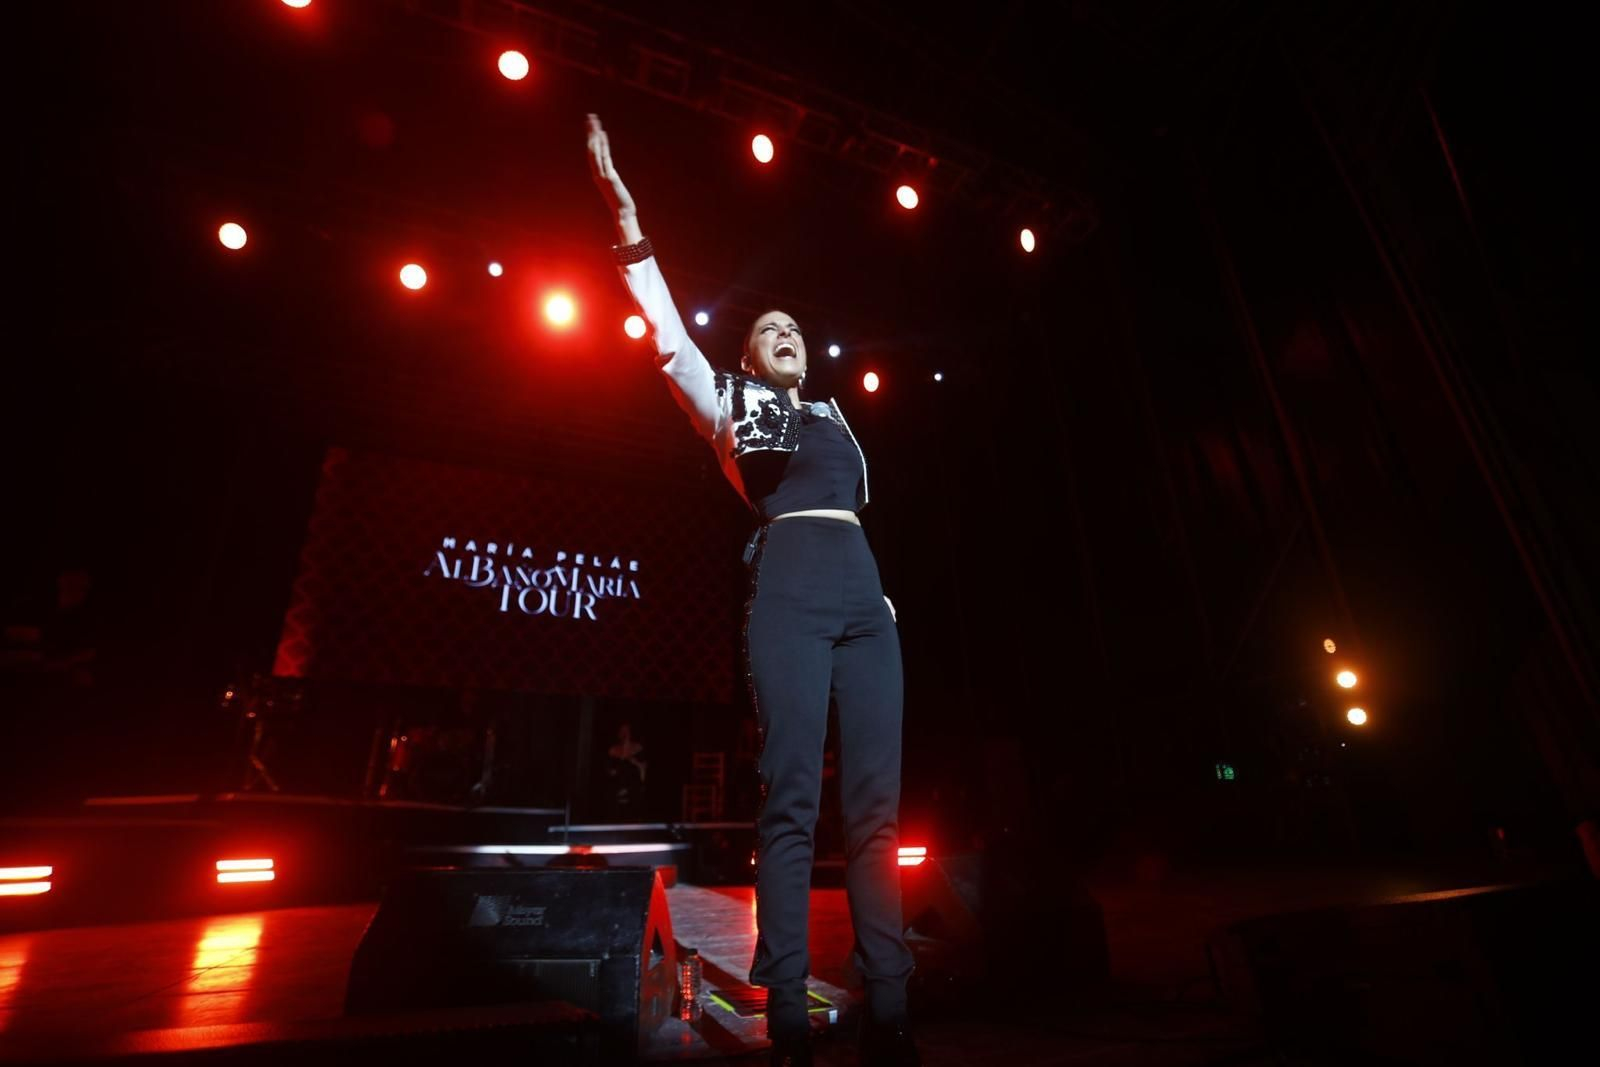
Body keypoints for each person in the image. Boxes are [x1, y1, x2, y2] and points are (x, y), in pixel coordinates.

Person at [586, 114, 919, 1067]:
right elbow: (662, 334)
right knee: (789, 805)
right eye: (766, 329)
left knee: (877, 811)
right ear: (746, 358)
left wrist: (882, 601)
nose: (783, 333)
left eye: (794, 330)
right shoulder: (729, 405)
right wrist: (628, 220)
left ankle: (892, 1010)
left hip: (864, 598)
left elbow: (854, 505)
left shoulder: (836, 415)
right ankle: (785, 1015)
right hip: (789, 591)